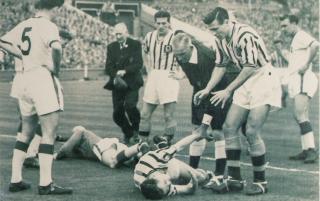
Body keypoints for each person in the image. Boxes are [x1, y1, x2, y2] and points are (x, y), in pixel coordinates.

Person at [194, 7, 282, 195]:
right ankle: (235, 179)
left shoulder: (245, 34)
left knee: (251, 130)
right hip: (247, 80)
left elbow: (250, 66)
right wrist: (207, 89)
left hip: (263, 78)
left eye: (216, 28)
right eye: (210, 29)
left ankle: (260, 181)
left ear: (227, 22)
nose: (213, 32)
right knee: (229, 127)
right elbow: (220, 65)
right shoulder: (219, 38)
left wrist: (227, 90)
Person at [0, 0, 72, 195]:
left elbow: (2, 41)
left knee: (26, 132)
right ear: (55, 8)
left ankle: (16, 180)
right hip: (41, 78)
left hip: (23, 79)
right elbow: (57, 48)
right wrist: (55, 70)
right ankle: (46, 184)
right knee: (49, 132)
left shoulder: (25, 24)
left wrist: (24, 56)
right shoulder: (48, 25)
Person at [171, 32, 229, 188]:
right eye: (177, 55)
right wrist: (201, 125)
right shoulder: (180, 54)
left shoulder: (206, 57)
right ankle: (192, 172)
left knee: (217, 130)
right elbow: (196, 82)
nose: (180, 58)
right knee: (196, 131)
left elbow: (212, 89)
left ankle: (218, 176)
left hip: (219, 90)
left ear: (190, 47)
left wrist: (206, 123)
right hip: (200, 88)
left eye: (182, 54)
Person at [279, 14, 319, 163]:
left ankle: (312, 151)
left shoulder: (301, 35)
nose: (283, 29)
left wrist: (306, 64)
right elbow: (292, 61)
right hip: (297, 79)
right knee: (300, 115)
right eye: (282, 26)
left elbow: (315, 45)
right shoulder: (295, 40)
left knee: (300, 114)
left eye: (285, 25)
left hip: (303, 78)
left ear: (294, 23)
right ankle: (306, 149)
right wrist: (279, 49)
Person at [134, 126, 212, 200]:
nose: (169, 183)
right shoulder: (159, 189)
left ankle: (158, 145)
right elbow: (189, 189)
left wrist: (197, 135)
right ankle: (162, 144)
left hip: (163, 163)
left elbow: (179, 146)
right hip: (159, 168)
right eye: (168, 186)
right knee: (199, 178)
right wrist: (194, 184)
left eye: (165, 182)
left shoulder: (159, 158)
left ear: (153, 177)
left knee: (201, 177)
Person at [139, 10, 179, 143]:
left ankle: (167, 142)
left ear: (169, 23)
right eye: (158, 23)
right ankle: (142, 143)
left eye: (164, 23)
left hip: (169, 76)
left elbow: (187, 55)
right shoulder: (149, 36)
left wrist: (181, 73)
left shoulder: (175, 38)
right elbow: (144, 52)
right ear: (154, 24)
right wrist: (148, 68)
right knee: (144, 114)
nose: (161, 26)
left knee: (168, 115)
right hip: (154, 75)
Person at [104, 22, 143, 144]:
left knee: (130, 106)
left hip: (132, 82)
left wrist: (125, 71)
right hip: (117, 84)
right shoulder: (111, 47)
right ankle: (128, 132)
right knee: (117, 114)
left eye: (120, 34)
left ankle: (136, 131)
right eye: (116, 34)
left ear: (126, 32)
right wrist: (115, 74)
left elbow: (138, 64)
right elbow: (108, 67)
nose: (118, 37)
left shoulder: (135, 44)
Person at [54, 126, 149, 168]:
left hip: (105, 146)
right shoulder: (76, 145)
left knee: (113, 162)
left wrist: (58, 154)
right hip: (115, 147)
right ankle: (139, 156)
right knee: (123, 160)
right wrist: (59, 138)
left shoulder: (83, 134)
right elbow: (70, 140)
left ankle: (139, 147)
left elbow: (79, 132)